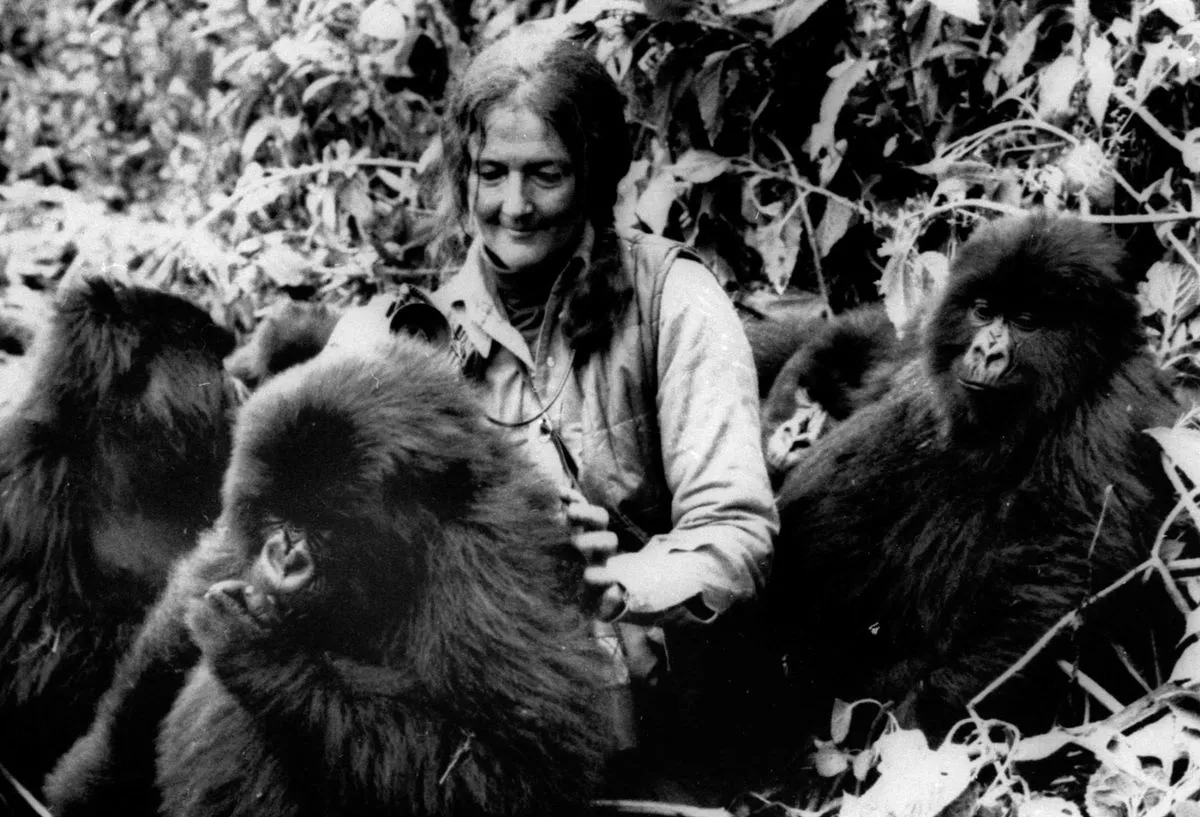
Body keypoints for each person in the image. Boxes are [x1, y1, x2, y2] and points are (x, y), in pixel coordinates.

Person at [330, 26, 779, 804]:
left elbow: (735, 534)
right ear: (463, 174)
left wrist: (613, 584)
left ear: (594, 174)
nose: (515, 206)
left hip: (649, 704)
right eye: (491, 173)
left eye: (546, 174)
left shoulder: (674, 301)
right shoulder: (402, 336)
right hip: (470, 702)